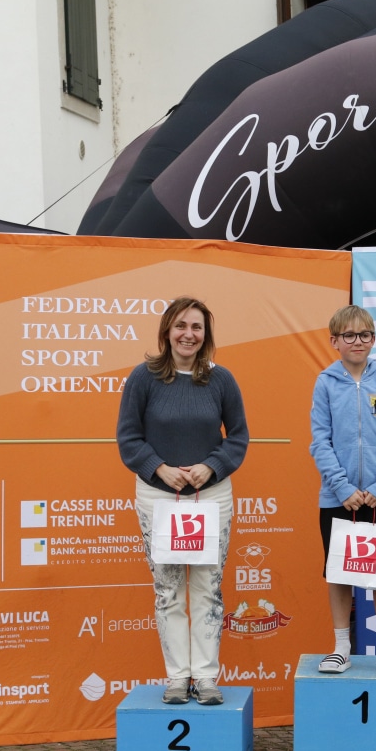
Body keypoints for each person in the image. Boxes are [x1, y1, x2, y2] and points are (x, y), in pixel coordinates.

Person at [117, 297, 248, 705]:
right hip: (158, 498)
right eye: (180, 326)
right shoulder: (143, 378)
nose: (188, 334)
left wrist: (212, 466)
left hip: (211, 498)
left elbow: (238, 437)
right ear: (166, 332)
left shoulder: (222, 380)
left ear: (205, 334)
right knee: (169, 590)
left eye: (196, 327)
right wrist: (159, 468)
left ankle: (205, 678)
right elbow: (128, 438)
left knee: (208, 589)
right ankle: (177, 678)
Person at [309, 305, 376, 676]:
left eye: (364, 335)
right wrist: (342, 487)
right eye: (348, 335)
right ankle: (341, 648)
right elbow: (320, 441)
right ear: (334, 341)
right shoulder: (325, 383)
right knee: (338, 572)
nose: (357, 341)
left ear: (373, 339)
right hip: (338, 498)